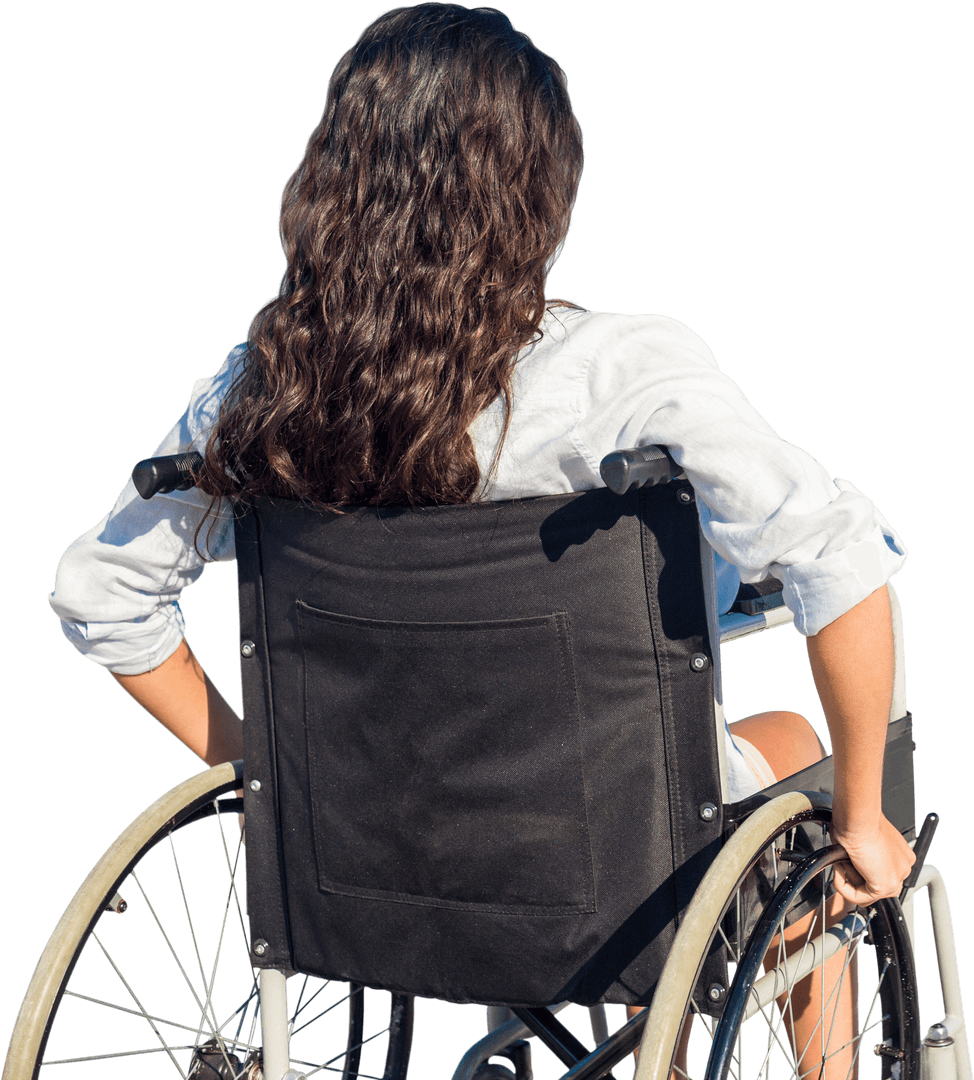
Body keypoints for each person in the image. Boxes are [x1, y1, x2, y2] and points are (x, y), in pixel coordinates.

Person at [48, 3, 914, 1075]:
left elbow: (99, 594)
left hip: (358, 860)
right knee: (801, 769)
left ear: (336, 176)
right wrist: (868, 821)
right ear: (537, 190)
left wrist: (261, 770)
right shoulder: (626, 372)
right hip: (605, 865)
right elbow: (840, 565)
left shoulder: (261, 390)